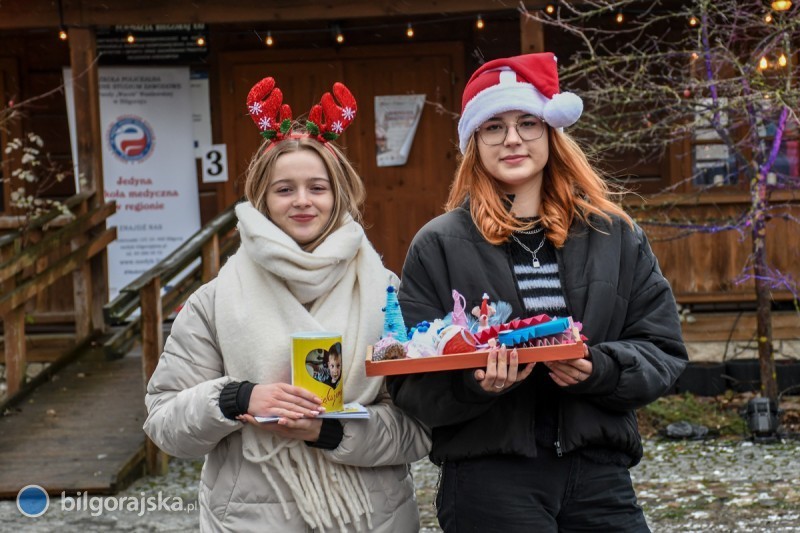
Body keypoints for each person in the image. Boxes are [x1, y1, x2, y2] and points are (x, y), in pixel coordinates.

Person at [388, 52, 688, 532]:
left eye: (527, 122)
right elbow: (408, 382)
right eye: (493, 126)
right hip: (490, 480)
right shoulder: (439, 244)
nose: (511, 138)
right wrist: (474, 384)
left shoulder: (614, 235)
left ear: (551, 133)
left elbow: (663, 350)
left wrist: (599, 369)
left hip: (599, 477)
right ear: (474, 143)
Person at [143, 76, 430, 532]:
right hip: (253, 519)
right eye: (284, 189)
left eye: (317, 187)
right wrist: (237, 398)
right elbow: (163, 423)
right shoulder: (216, 300)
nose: (302, 202)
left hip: (369, 518)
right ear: (262, 198)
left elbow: (419, 428)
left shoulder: (385, 294)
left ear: (339, 195)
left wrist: (330, 430)